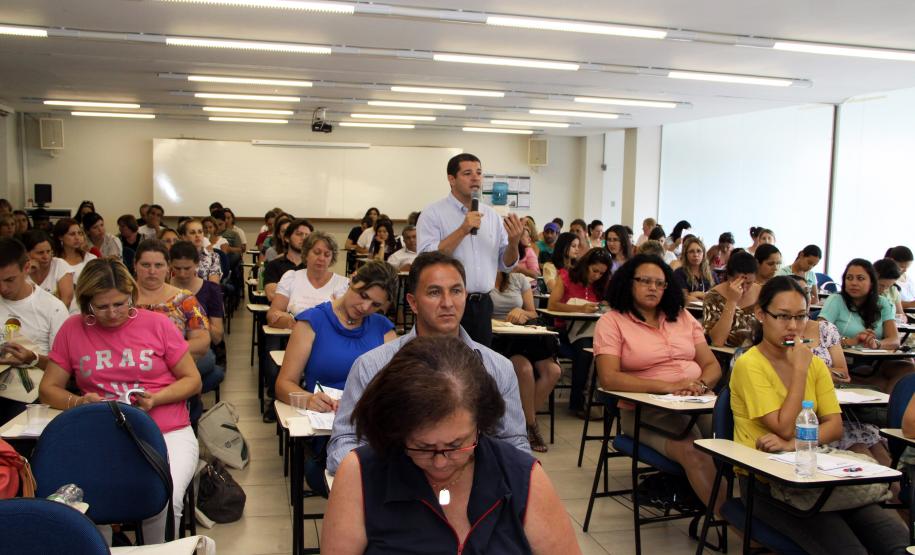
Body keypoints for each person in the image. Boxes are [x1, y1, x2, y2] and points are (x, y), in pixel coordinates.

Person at [322, 336, 580, 554]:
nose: (440, 461)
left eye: (456, 444)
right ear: (397, 429)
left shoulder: (522, 476)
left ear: (481, 423)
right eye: (422, 446)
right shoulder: (361, 474)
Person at [729, 275, 909, 555]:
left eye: (801, 317)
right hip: (768, 481)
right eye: (783, 316)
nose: (793, 326)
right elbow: (785, 428)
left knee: (897, 540)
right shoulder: (750, 364)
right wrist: (800, 370)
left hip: (817, 473)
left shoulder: (813, 362)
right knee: (849, 550)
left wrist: (793, 445)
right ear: (761, 314)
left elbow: (834, 427)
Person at [39, 258, 201, 544]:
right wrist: (78, 402)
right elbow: (49, 388)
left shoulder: (157, 325)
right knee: (85, 501)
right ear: (86, 303)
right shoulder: (73, 329)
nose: (113, 313)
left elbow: (192, 380)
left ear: (132, 296)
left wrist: (157, 398)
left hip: (166, 430)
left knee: (163, 499)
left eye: (121, 304)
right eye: (101, 307)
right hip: (101, 432)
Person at [326, 251, 528, 474]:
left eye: (456, 291)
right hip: (394, 490)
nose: (447, 303)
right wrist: (388, 475)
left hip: (474, 492)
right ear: (413, 302)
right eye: (434, 292)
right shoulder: (372, 366)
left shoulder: (497, 367)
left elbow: (515, 444)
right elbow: (343, 443)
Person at [595, 254, 723, 511]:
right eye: (645, 281)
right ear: (628, 283)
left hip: (696, 402)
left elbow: (712, 366)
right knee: (694, 450)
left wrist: (699, 384)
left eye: (660, 283)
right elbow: (608, 378)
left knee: (731, 446)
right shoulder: (612, 322)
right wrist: (666, 387)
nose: (653, 288)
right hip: (644, 410)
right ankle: (735, 528)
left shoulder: (683, 317)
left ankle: (747, 514)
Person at [275, 261, 398, 491]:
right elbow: (283, 384)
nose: (365, 307)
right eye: (362, 295)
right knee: (368, 479)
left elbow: (397, 387)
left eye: (375, 304)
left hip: (373, 426)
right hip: (328, 431)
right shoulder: (312, 322)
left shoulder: (383, 329)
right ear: (352, 279)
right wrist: (308, 398)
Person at [417, 153, 523, 347]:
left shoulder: (491, 216)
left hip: (481, 304)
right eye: (467, 173)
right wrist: (463, 229)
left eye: (479, 173)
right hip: (445, 303)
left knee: (478, 363)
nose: (475, 178)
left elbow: (505, 264)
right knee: (443, 360)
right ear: (451, 179)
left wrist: (514, 243)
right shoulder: (433, 213)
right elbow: (426, 260)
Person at [490, 270, 561, 452]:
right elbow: (475, 317)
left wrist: (521, 313)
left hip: (523, 336)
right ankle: (531, 426)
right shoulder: (480, 279)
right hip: (497, 339)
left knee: (553, 371)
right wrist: (498, 321)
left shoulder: (518, 279)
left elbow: (532, 313)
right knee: (524, 370)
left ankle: (519, 424)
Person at [0, 238, 69, 424]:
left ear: (27, 268)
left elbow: (64, 368)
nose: (2, 288)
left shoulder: (52, 307)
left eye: (9, 280)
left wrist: (32, 358)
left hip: (32, 391)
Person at [818, 258, 910, 392]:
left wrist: (876, 344)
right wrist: (851, 341)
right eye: (849, 278)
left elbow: (894, 340)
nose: (853, 283)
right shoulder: (836, 300)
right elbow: (818, 335)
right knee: (882, 384)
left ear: (872, 282)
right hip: (843, 362)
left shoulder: (883, 303)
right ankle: (881, 407)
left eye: (860, 278)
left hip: (874, 361)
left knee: (908, 370)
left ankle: (888, 409)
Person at [547, 248, 612, 417]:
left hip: (594, 330)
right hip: (567, 330)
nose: (597, 275)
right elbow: (552, 305)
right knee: (585, 350)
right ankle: (578, 403)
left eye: (601, 273)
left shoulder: (602, 284)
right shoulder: (567, 277)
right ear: (586, 265)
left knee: (603, 350)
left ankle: (599, 402)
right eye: (595, 270)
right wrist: (580, 308)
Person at [133, 240, 211, 362]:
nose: (152, 271)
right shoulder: (121, 298)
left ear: (168, 267)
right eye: (145, 265)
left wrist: (164, 352)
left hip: (173, 366)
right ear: (135, 265)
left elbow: (202, 341)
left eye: (158, 265)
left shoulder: (185, 298)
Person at [169, 241, 225, 394]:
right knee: (214, 373)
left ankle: (176, 395)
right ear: (170, 265)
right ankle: (185, 397)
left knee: (207, 363)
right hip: (168, 349)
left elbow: (217, 337)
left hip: (199, 348)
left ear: (197, 264)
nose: (182, 274)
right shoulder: (163, 287)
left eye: (187, 268)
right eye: (177, 268)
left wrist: (195, 314)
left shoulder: (211, 289)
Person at [267, 231, 349, 330]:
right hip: (294, 339)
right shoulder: (291, 278)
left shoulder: (343, 284)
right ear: (306, 254)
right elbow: (272, 316)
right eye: (317, 252)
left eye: (327, 255)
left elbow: (347, 322)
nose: (321, 258)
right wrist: (293, 324)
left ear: (332, 259)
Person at [703, 251, 761, 347]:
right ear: (729, 277)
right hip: (725, 353)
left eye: (749, 283)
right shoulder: (713, 296)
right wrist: (732, 301)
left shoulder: (762, 293)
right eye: (740, 282)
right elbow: (717, 341)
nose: (744, 288)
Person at [20, 229, 75, 309]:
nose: (46, 257)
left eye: (48, 251)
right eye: (40, 253)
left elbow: (66, 301)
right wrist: (26, 273)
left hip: (60, 316)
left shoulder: (59, 264)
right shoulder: (20, 271)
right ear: (27, 254)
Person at [261, 218, 310, 301]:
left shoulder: (314, 267)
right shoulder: (274, 265)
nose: (303, 238)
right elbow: (272, 295)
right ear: (287, 238)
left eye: (307, 235)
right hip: (281, 312)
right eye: (299, 234)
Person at [52, 218, 97, 295]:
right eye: (72, 234)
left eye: (80, 233)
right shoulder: (53, 261)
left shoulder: (91, 259)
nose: (77, 238)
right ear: (60, 237)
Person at [178, 219, 221, 284]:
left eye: (200, 232)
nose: (197, 235)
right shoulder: (178, 256)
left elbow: (214, 285)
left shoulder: (213, 256)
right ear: (184, 237)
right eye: (192, 233)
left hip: (206, 292)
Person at [674, 236, 713, 302]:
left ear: (703, 254)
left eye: (699, 251)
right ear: (685, 254)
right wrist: (704, 297)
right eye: (691, 251)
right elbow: (685, 299)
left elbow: (714, 298)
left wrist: (697, 294)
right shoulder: (679, 273)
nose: (696, 254)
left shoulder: (711, 274)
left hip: (706, 311)